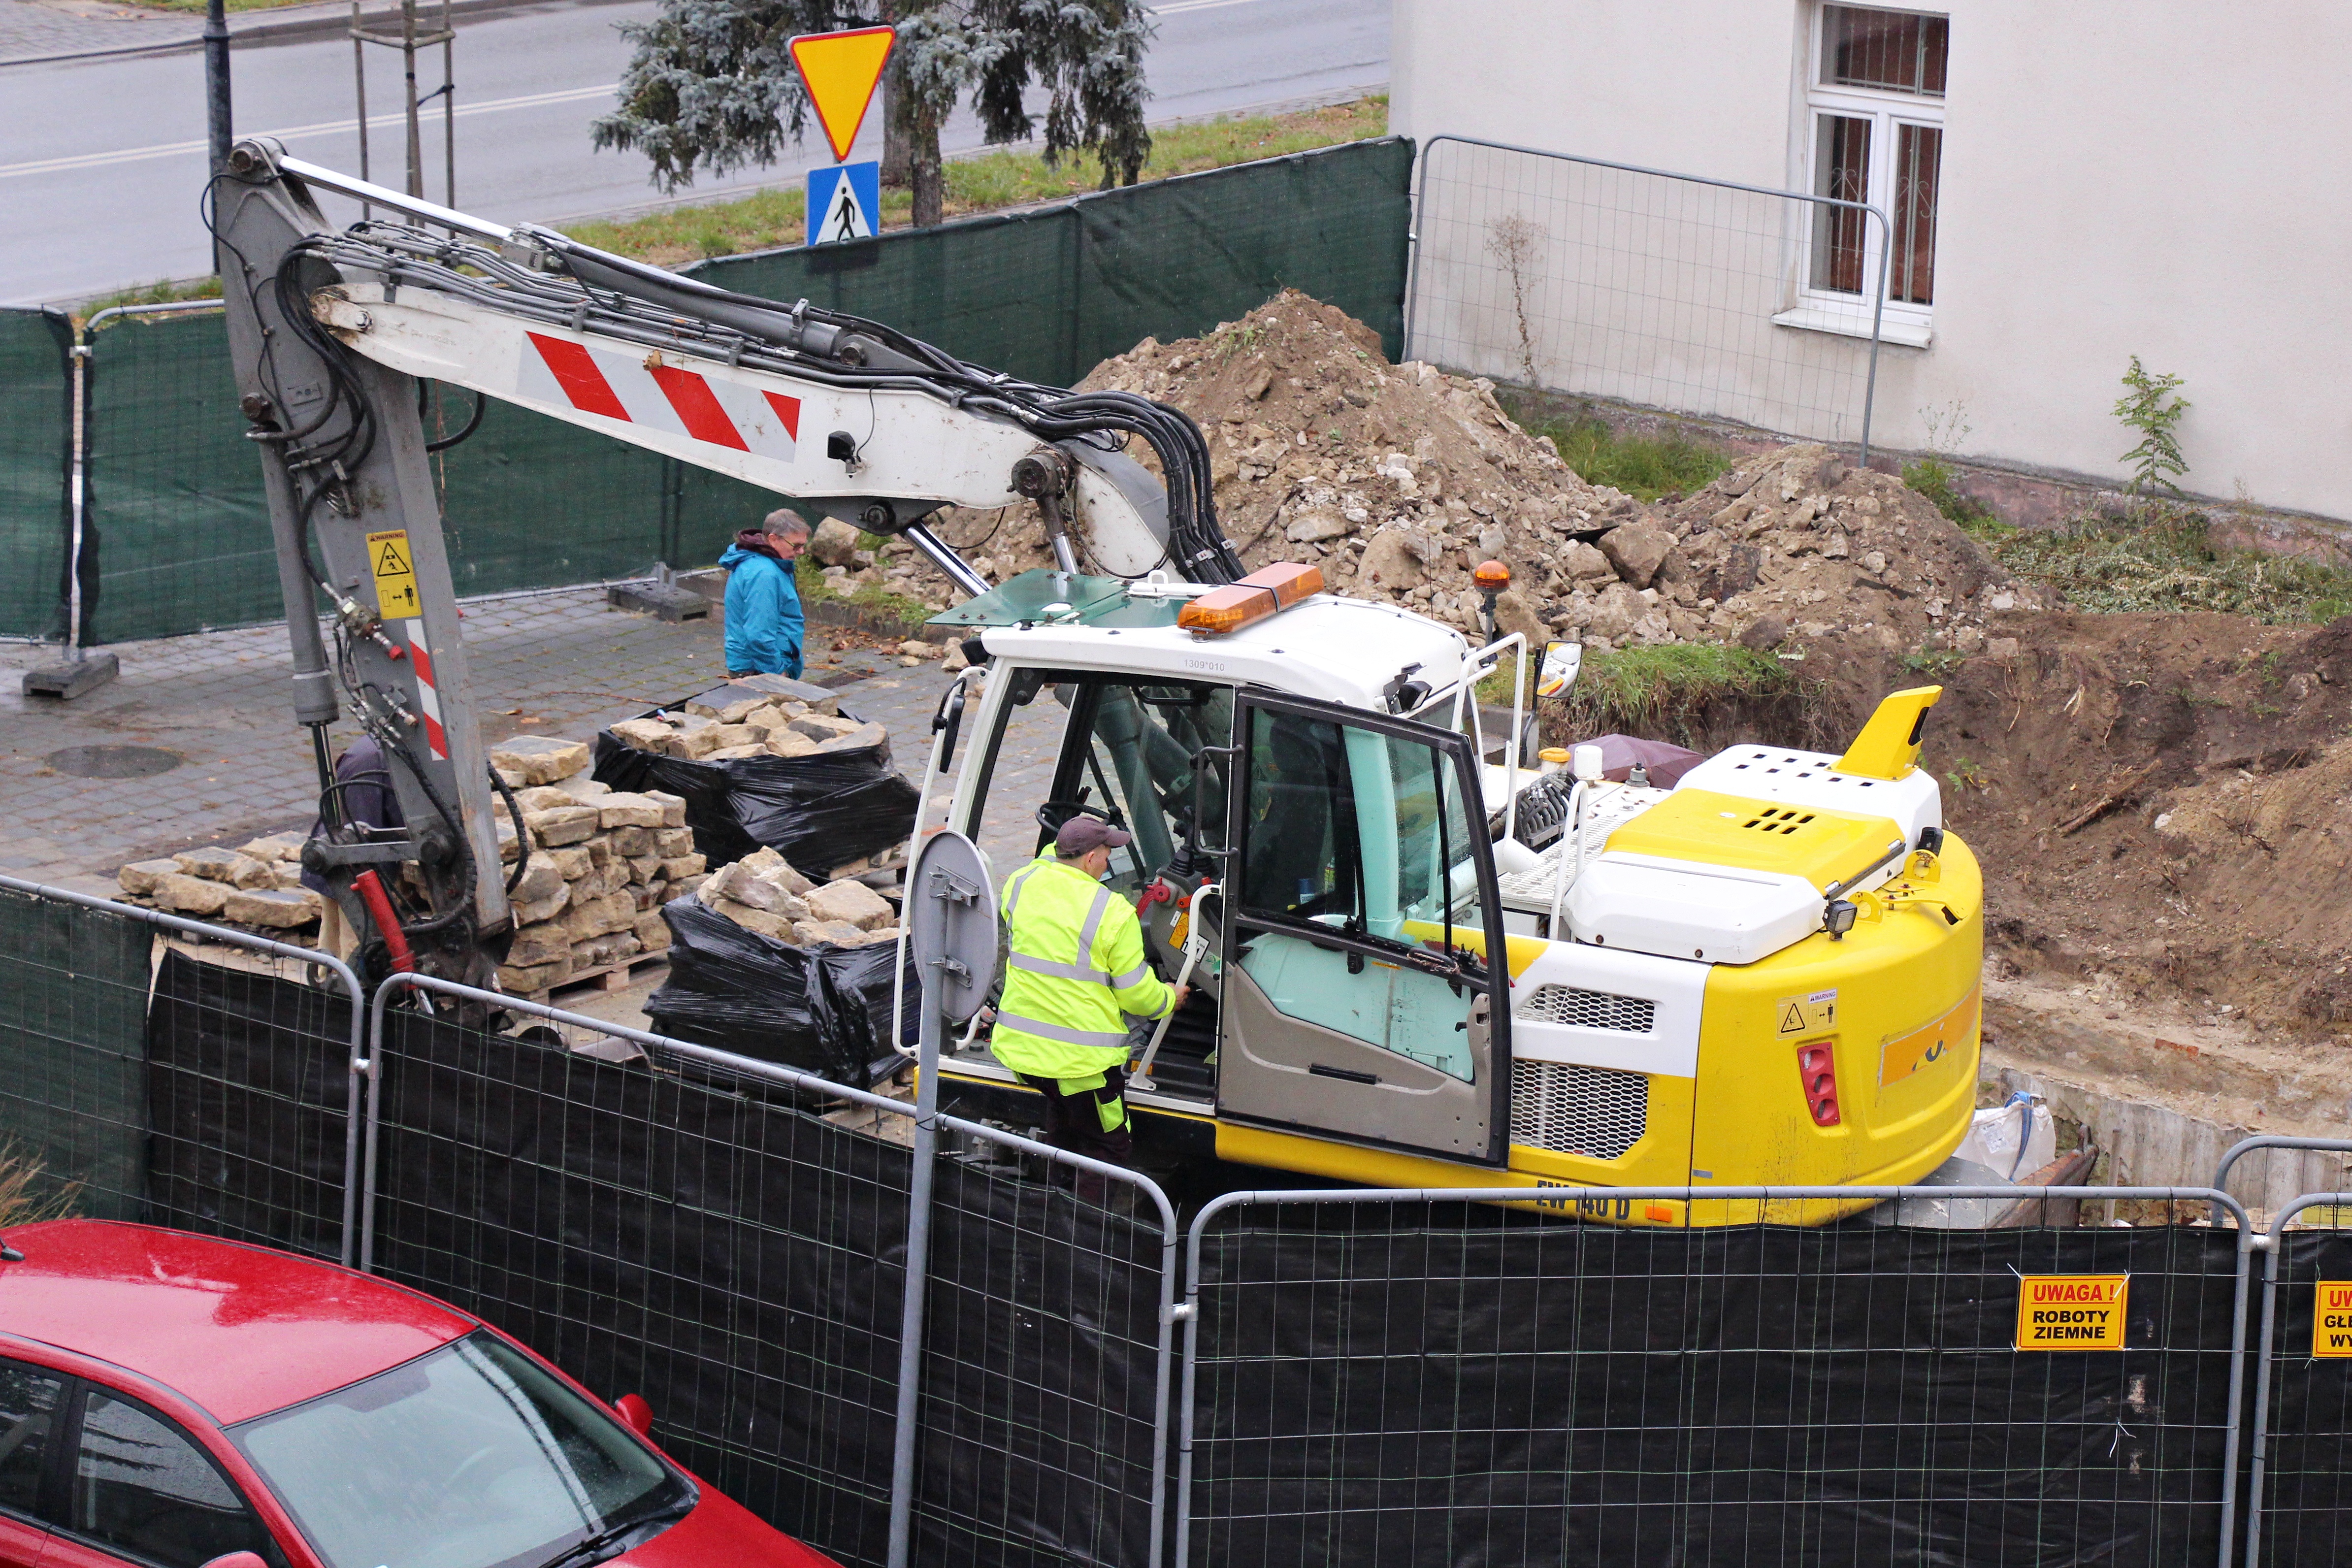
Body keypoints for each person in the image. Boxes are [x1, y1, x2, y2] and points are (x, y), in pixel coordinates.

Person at [991, 816, 1190, 1186]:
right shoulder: (1112, 912)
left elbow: (1048, 863)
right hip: (1083, 1064)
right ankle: (1087, 1236)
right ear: (1088, 860)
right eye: (1106, 856)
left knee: (1063, 1134)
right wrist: (1170, 997)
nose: (1107, 864)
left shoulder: (1021, 884)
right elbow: (1138, 996)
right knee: (1108, 1149)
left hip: (1028, 1054)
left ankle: (1058, 1217)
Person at [719, 510, 811, 678]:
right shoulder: (765, 574)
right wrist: (778, 673)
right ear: (773, 539)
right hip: (759, 670)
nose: (801, 552)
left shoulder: (770, 563)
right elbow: (759, 635)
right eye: (796, 546)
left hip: (758, 666)